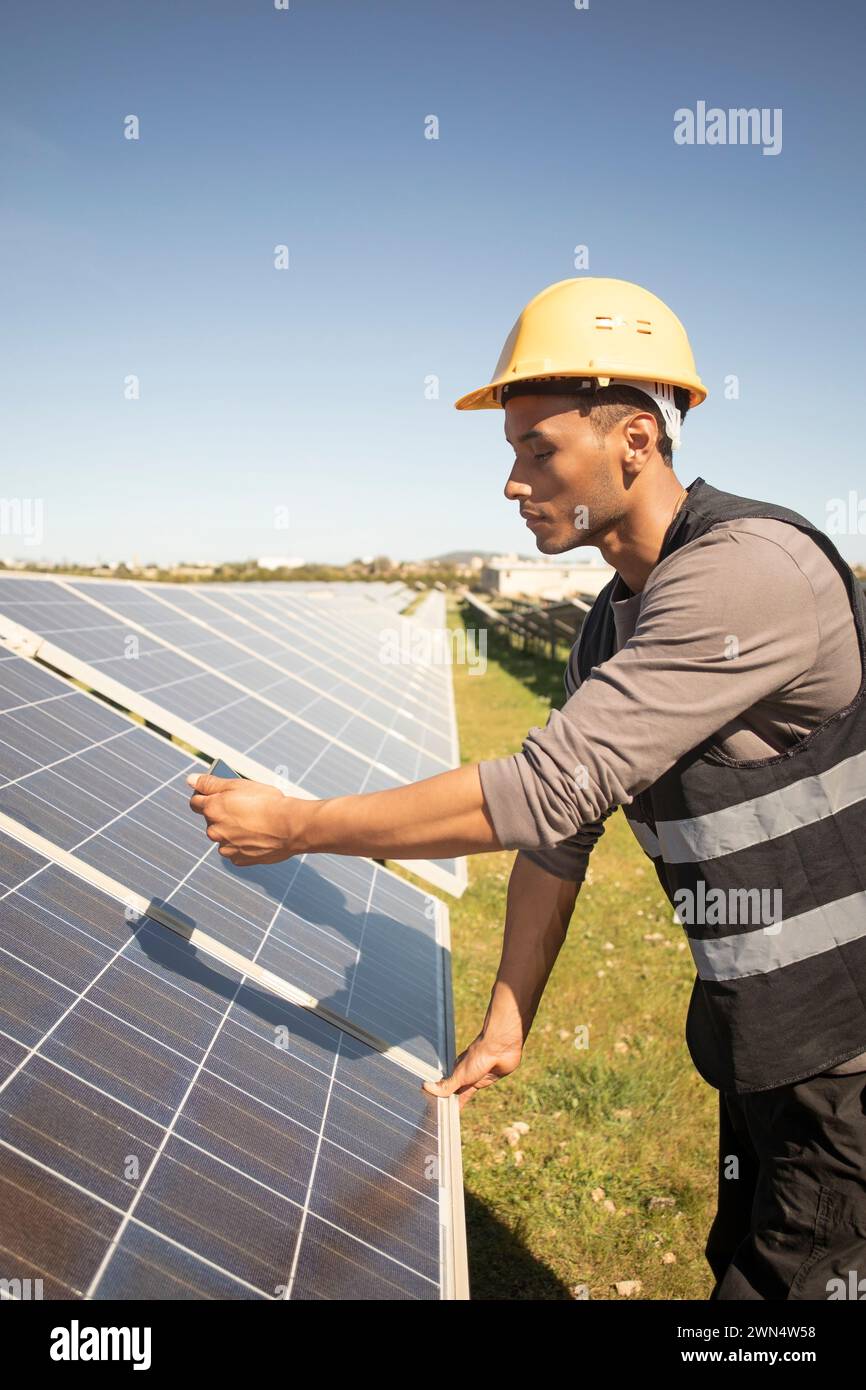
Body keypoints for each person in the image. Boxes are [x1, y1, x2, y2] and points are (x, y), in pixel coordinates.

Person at [188, 277, 866, 1300]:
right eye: (510, 452)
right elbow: (561, 839)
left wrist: (299, 827)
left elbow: (542, 793)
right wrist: (508, 1019)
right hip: (764, 1041)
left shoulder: (746, 573)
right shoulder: (610, 618)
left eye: (536, 448)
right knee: (741, 1261)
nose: (512, 482)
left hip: (846, 1051)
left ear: (635, 439)